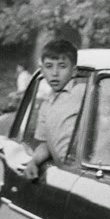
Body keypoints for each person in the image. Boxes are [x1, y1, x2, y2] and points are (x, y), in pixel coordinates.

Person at [21, 40, 82, 180]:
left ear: (74, 71)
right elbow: (45, 144)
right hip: (66, 173)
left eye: (62, 66)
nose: (55, 73)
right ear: (42, 70)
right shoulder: (46, 104)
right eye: (49, 66)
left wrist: (99, 145)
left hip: (88, 171)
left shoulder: (80, 92)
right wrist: (34, 162)